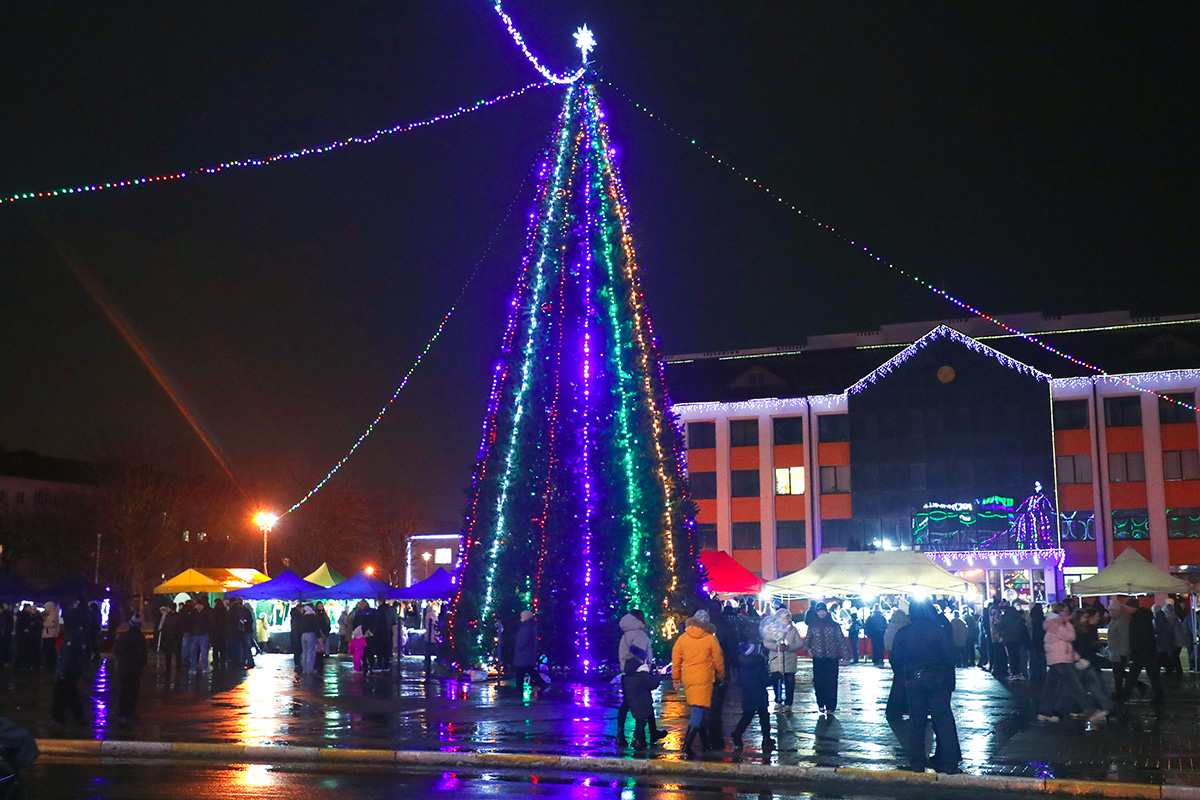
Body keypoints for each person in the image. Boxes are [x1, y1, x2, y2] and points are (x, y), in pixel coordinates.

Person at [889, 600, 961, 774]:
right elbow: (950, 657)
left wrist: (906, 672)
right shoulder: (939, 631)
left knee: (917, 721)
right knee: (943, 720)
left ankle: (917, 761)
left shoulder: (904, 632)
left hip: (914, 680)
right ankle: (950, 761)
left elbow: (895, 658)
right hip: (938, 681)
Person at [671, 608, 725, 758]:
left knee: (698, 708)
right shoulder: (710, 639)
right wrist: (721, 675)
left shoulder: (683, 638)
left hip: (688, 677)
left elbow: (676, 659)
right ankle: (687, 746)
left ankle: (705, 743)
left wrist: (676, 677)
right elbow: (718, 660)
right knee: (698, 710)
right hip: (704, 677)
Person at [616, 611, 666, 747]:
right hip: (638, 673)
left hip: (626, 674)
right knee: (645, 703)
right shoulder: (639, 635)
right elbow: (639, 655)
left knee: (627, 704)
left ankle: (620, 735)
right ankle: (641, 736)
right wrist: (647, 667)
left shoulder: (626, 634)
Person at [803, 601, 850, 714]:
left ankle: (831, 706)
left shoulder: (834, 625)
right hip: (818, 658)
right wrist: (808, 649)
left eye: (823, 611)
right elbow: (807, 642)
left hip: (832, 658)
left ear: (826, 611)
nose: (822, 613)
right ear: (816, 612)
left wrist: (846, 657)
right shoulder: (812, 626)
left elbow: (841, 641)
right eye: (819, 611)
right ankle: (820, 703)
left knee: (831, 682)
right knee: (818, 682)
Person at [1118, 598, 1163, 705]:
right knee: (1148, 675)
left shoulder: (1139, 618)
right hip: (1146, 651)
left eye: (1127, 607)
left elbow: (1140, 636)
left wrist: (1135, 650)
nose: (1126, 609)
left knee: (1138, 674)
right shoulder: (1143, 616)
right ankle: (1126, 695)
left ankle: (1125, 695)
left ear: (1133, 607)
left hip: (1142, 651)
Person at [731, 642, 774, 752]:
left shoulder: (742, 666)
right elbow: (765, 681)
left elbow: (738, 682)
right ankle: (766, 738)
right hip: (759, 696)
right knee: (764, 717)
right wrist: (775, 677)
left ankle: (737, 732)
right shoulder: (760, 666)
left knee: (747, 717)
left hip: (747, 696)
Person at [760, 606, 801, 709]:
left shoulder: (793, 630)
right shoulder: (772, 630)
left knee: (789, 681)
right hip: (776, 659)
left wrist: (789, 647)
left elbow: (800, 643)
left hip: (789, 659)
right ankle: (778, 699)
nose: (788, 620)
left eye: (789, 617)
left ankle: (788, 702)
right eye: (786, 618)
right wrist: (776, 647)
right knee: (776, 681)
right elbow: (766, 642)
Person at [51, 610, 86, 725]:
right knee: (71, 694)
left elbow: (67, 655)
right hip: (72, 671)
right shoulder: (77, 634)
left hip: (67, 672)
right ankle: (78, 716)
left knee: (61, 695)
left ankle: (58, 718)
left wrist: (61, 672)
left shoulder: (71, 636)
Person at [621, 655, 662, 751]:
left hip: (634, 702)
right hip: (643, 702)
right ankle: (638, 741)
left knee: (640, 721)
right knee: (641, 722)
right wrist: (657, 676)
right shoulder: (641, 676)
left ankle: (639, 740)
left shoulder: (628, 676)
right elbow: (652, 684)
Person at [115, 615, 148, 722]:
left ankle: (122, 711)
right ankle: (129, 711)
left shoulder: (123, 637)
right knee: (133, 690)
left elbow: (117, 651)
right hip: (134, 669)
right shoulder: (140, 638)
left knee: (124, 689)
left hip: (123, 667)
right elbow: (143, 655)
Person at [512, 610, 546, 690]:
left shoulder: (526, 628)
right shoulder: (529, 627)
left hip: (523, 654)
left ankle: (519, 689)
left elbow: (523, 641)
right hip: (526, 654)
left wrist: (518, 646)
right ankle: (540, 683)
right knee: (528, 670)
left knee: (520, 672)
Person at [1107, 601, 1132, 697]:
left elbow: (1124, 638)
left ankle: (1119, 692)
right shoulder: (1115, 620)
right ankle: (1138, 685)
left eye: (1113, 610)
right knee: (1119, 672)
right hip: (1115, 651)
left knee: (1118, 673)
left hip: (1119, 651)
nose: (1111, 612)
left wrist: (1123, 653)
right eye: (1110, 610)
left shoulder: (1121, 621)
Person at [159, 604, 183, 673]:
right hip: (171, 637)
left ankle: (171, 667)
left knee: (172, 653)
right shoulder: (177, 616)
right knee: (172, 654)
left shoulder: (171, 616)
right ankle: (173, 667)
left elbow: (180, 628)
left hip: (173, 637)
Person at [191, 598, 212, 674]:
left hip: (202, 634)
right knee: (196, 651)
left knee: (202, 651)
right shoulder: (195, 613)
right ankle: (198, 667)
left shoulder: (205, 613)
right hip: (198, 634)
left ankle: (202, 668)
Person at [41, 601, 61, 674]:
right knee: (48, 651)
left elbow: (52, 624)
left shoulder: (54, 615)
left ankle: (50, 667)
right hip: (48, 635)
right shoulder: (51, 614)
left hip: (50, 635)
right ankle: (49, 666)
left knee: (49, 652)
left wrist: (44, 623)